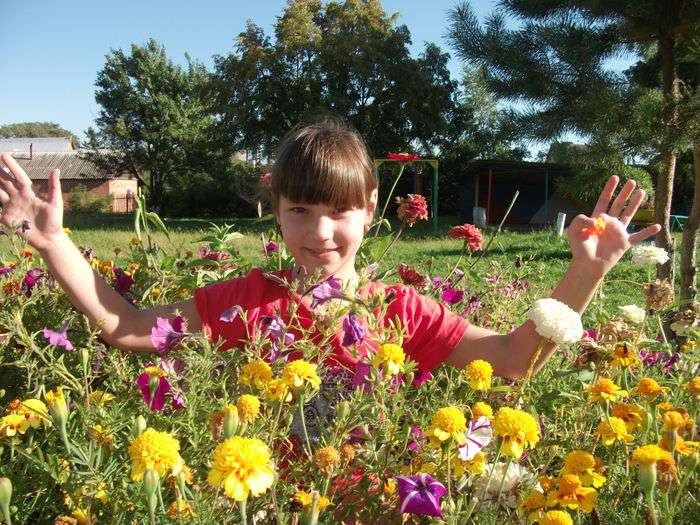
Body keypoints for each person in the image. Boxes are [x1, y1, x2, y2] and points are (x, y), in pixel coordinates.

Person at [0, 120, 661, 379]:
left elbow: (518, 358)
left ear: (370, 209)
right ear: (277, 213)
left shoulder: (402, 311)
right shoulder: (245, 301)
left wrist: (585, 269)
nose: (320, 233)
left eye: (339, 210)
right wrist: (54, 239)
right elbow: (128, 327)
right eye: (300, 211)